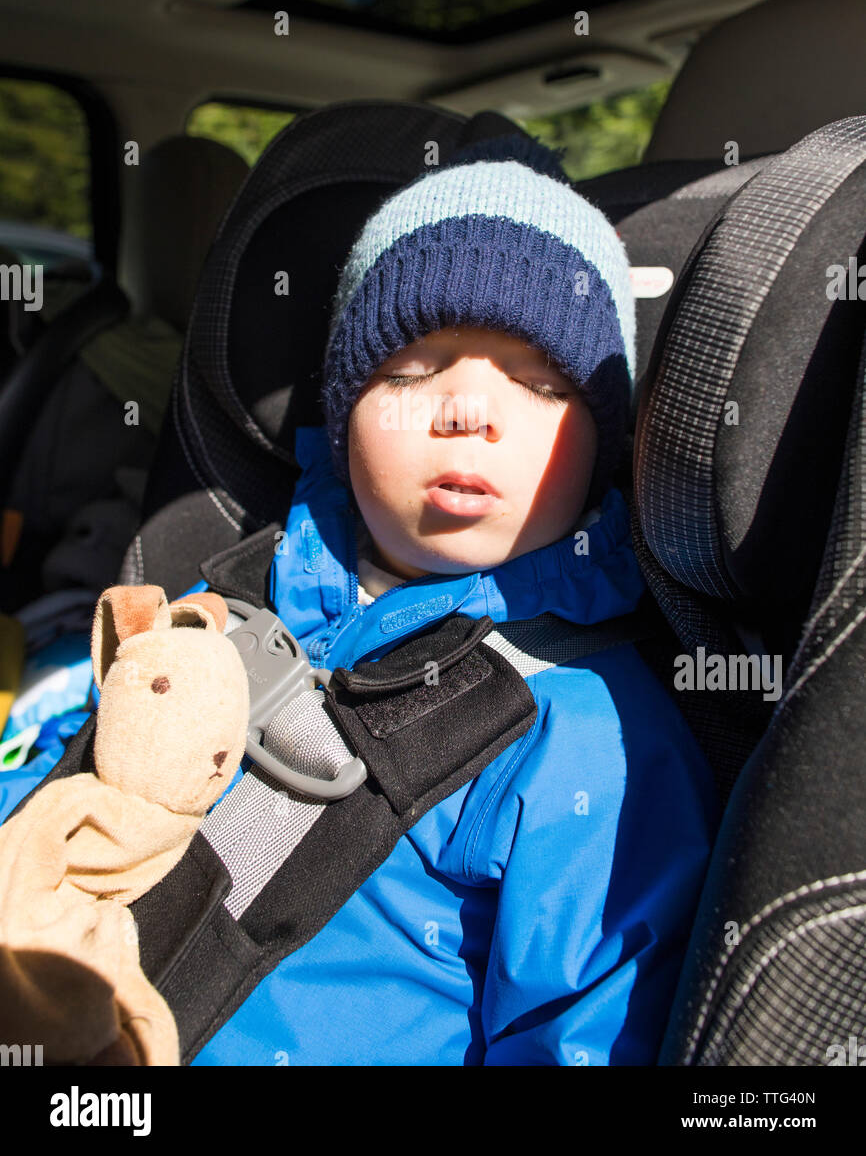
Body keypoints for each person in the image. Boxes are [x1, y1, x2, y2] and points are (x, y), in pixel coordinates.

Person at [0, 131, 719, 1066]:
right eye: (413, 372)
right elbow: (91, 774)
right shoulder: (237, 581)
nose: (469, 411)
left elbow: (581, 1033)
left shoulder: (589, 733)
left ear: (603, 448)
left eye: (540, 386)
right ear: (342, 421)